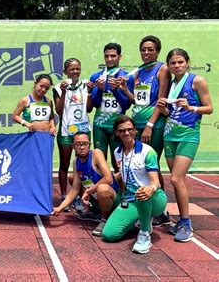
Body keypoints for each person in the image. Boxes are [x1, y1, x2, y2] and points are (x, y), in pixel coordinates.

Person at [157, 48, 213, 242]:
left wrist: (192, 107)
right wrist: (163, 108)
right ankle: (181, 221)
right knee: (176, 180)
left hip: (188, 135)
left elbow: (209, 108)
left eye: (180, 62)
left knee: (176, 179)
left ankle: (186, 223)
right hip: (169, 135)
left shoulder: (197, 81)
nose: (177, 66)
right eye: (173, 63)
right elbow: (171, 114)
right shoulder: (171, 84)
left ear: (187, 62)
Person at [102, 115, 167, 254]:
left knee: (141, 192)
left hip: (154, 197)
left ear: (135, 131)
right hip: (131, 200)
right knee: (109, 234)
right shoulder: (117, 152)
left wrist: (151, 188)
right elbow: (122, 176)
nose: (126, 133)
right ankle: (140, 219)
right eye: (122, 130)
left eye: (129, 129)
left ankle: (144, 233)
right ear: (116, 133)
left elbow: (156, 182)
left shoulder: (147, 151)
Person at [127, 36, 171, 226]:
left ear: (157, 51)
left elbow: (161, 101)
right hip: (137, 122)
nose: (146, 53)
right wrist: (123, 88)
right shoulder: (139, 71)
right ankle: (143, 205)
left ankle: (160, 210)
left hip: (153, 125)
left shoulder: (162, 69)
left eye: (150, 49)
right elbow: (137, 100)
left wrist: (150, 125)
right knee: (140, 165)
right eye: (143, 49)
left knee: (151, 165)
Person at [52, 132, 120, 236]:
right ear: (73, 146)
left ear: (90, 144)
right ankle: (95, 211)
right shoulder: (76, 162)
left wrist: (88, 191)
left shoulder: (96, 154)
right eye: (78, 144)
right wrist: (60, 208)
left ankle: (104, 219)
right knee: (72, 178)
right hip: (96, 198)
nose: (82, 147)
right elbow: (75, 189)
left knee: (103, 188)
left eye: (85, 144)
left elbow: (108, 178)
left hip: (112, 199)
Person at [53, 58, 93, 210]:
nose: (75, 72)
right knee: (64, 164)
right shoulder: (59, 87)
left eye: (78, 68)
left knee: (83, 164)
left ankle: (81, 196)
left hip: (82, 131)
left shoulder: (86, 84)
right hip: (66, 131)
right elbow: (59, 110)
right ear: (65, 72)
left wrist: (89, 92)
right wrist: (63, 92)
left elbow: (89, 109)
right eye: (72, 69)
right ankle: (64, 195)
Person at [88, 43, 134, 171]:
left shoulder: (127, 77)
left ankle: (121, 190)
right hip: (100, 125)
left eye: (113, 56)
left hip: (117, 125)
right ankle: (100, 189)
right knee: (99, 160)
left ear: (120, 56)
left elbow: (126, 104)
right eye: (106, 56)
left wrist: (114, 90)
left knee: (118, 161)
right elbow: (96, 103)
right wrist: (100, 89)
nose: (109, 59)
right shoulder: (96, 77)